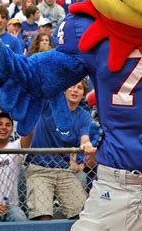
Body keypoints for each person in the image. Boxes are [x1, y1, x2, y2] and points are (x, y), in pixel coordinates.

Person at [25, 80, 94, 220]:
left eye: (79, 88)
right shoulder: (49, 105)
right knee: (43, 216)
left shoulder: (84, 116)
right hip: (40, 169)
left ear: (83, 96)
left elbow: (84, 137)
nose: (75, 90)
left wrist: (86, 144)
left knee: (82, 215)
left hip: (64, 171)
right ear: (64, 90)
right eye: (72, 86)